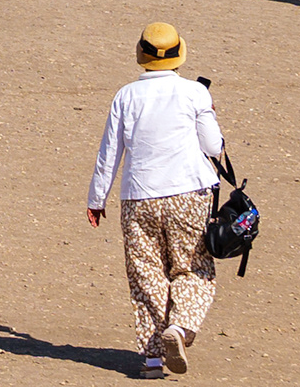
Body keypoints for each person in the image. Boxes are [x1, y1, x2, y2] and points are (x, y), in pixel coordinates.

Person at [86, 20, 226, 378]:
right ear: (179, 54)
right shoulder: (195, 93)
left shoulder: (125, 96)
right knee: (193, 268)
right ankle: (179, 328)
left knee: (146, 272)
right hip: (190, 193)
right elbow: (213, 146)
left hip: (138, 197)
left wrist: (97, 198)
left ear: (141, 55)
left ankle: (150, 359)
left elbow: (109, 152)